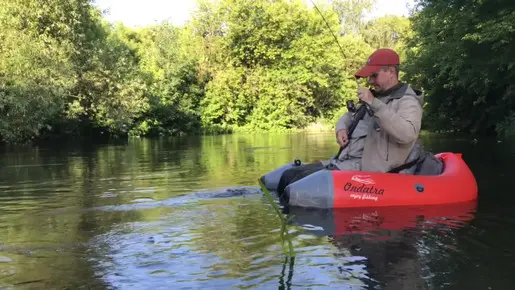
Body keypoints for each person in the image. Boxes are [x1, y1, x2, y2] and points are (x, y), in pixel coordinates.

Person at [276, 48, 424, 195]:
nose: (370, 81)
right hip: (343, 162)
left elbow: (408, 134)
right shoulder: (376, 96)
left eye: (374, 75)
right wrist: (341, 129)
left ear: (391, 71)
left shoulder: (408, 102)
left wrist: (374, 103)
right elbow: (349, 116)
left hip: (368, 172)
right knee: (289, 175)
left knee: (299, 184)